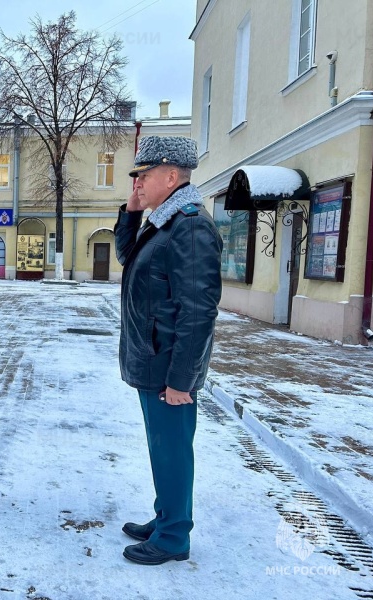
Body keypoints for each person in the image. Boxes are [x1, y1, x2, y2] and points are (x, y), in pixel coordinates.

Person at [115, 136, 223, 566]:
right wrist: (131, 211)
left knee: (173, 450)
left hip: (169, 370)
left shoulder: (190, 225)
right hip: (155, 360)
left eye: (144, 175)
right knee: (163, 448)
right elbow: (127, 255)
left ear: (172, 176)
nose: (138, 182)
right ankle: (166, 517)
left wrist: (182, 380)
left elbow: (198, 311)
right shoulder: (164, 221)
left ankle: (174, 536)